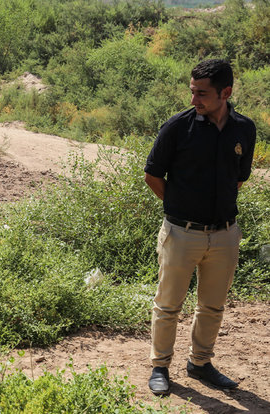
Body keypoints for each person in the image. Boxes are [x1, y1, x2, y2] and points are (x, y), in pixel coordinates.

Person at [144, 59, 256, 395]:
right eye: (192, 92)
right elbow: (152, 175)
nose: (194, 100)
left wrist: (216, 214)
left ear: (226, 92)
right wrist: (180, 210)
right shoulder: (177, 127)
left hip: (224, 234)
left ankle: (200, 363)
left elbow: (239, 178)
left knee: (213, 306)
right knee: (168, 305)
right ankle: (160, 367)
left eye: (202, 94)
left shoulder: (244, 129)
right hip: (181, 233)